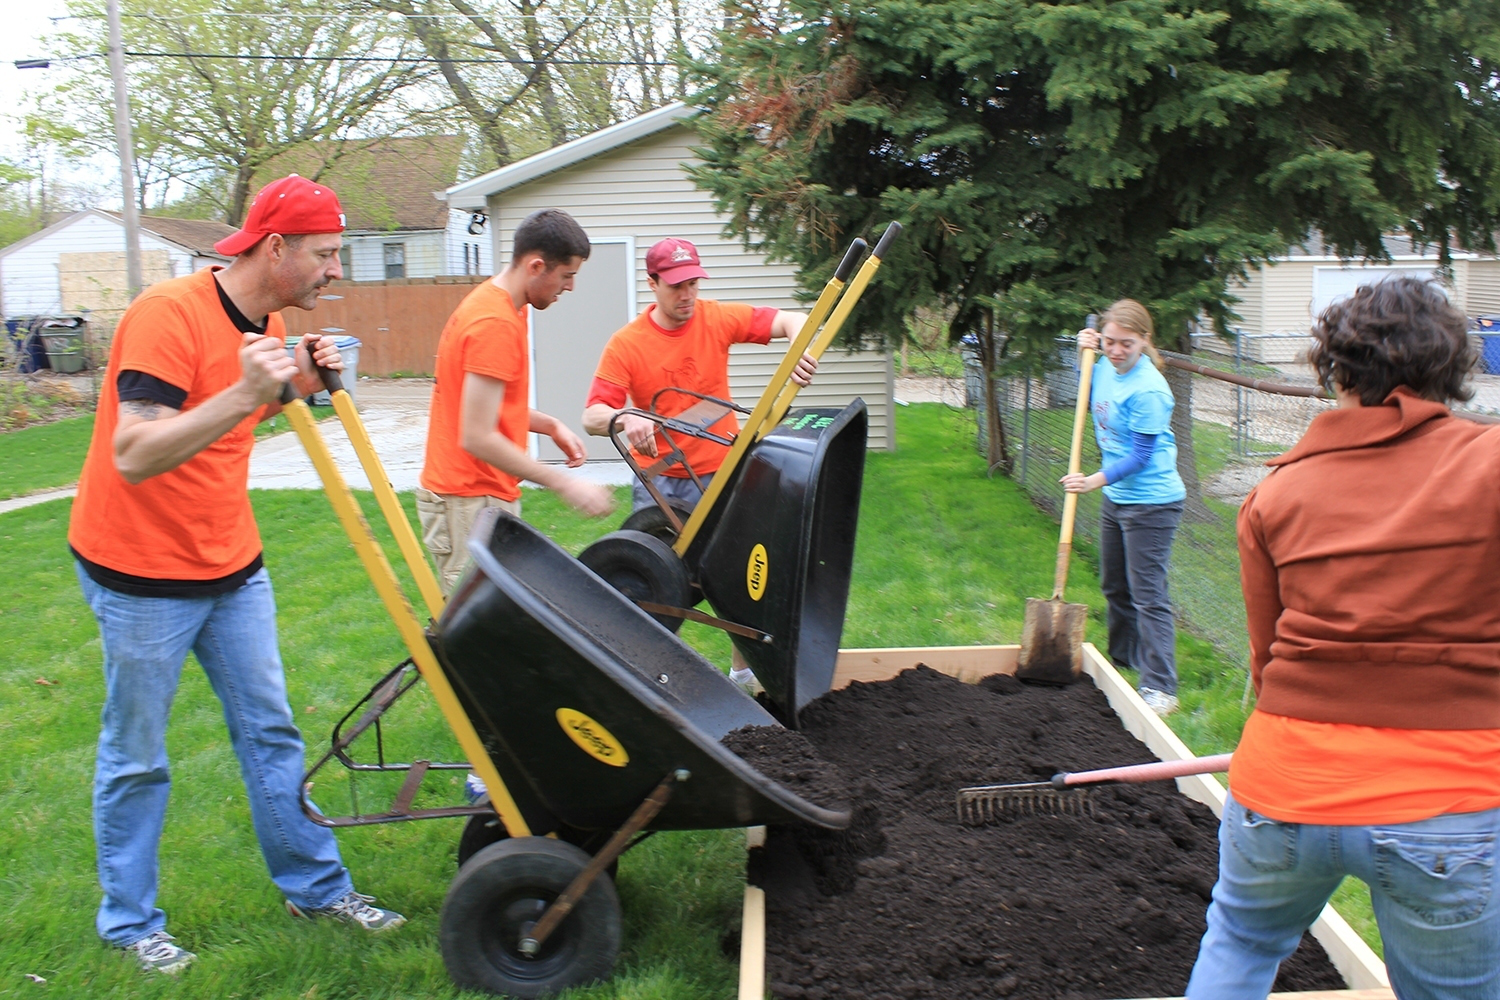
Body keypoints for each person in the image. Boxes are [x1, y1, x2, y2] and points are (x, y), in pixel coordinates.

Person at [68, 175, 404, 976]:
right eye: (325, 254)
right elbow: (135, 451)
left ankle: (317, 890)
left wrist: (297, 386)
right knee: (138, 753)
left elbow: (237, 413)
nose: (336, 270)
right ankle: (129, 924)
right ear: (275, 247)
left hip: (229, 561)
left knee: (271, 732)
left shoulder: (269, 321)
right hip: (140, 569)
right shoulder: (167, 315)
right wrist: (249, 389)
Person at [1186, 277, 1500, 999]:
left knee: (1241, 942)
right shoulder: (1489, 465)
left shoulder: (1278, 489)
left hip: (1282, 789)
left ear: (1337, 372)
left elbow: (1266, 663)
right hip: (1445, 808)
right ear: (1449, 370)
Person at [418, 209, 614, 594]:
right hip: (467, 499)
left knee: (499, 615)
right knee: (476, 622)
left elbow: (484, 407)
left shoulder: (505, 308)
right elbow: (476, 435)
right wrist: (564, 484)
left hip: (480, 495)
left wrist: (549, 425)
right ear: (536, 266)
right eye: (567, 275)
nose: (571, 287)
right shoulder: (494, 323)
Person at [579, 237, 817, 516]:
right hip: (657, 478)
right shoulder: (626, 344)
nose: (687, 295)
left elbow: (793, 320)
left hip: (721, 471)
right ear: (652, 283)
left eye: (692, 283)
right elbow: (591, 418)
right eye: (676, 286)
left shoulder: (716, 318)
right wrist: (626, 417)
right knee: (655, 546)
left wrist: (798, 350)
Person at [1062, 299, 1186, 716]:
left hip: (1152, 502)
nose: (1116, 351)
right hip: (1118, 497)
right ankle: (1123, 663)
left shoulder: (1149, 389)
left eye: (1126, 344)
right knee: (1115, 586)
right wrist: (1083, 355)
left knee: (1148, 594)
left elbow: (1141, 457)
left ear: (1144, 341)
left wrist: (1092, 481)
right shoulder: (1104, 367)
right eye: (1109, 341)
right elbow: (1088, 393)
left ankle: (1161, 686)